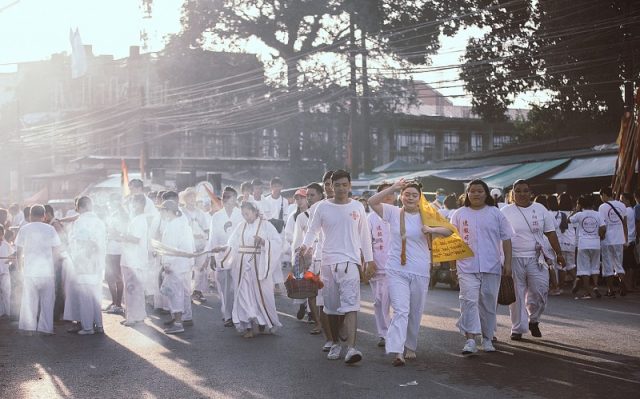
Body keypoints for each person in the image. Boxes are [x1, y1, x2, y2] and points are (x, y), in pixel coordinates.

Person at [368, 179, 452, 366]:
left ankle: (410, 346)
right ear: (401, 196)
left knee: (415, 310)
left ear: (420, 197)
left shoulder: (428, 214)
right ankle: (397, 351)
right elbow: (372, 202)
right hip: (396, 269)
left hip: (420, 269)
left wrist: (431, 229)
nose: (410, 198)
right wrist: (392, 188)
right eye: (407, 194)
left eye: (414, 195)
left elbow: (448, 231)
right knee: (400, 310)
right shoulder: (392, 212)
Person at [301, 170, 374, 365]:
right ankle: (334, 342)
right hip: (327, 263)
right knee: (331, 308)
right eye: (337, 185)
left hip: (350, 262)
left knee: (351, 305)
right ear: (330, 186)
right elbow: (312, 230)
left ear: (350, 186)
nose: (341, 188)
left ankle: (351, 348)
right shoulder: (322, 207)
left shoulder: (357, 206)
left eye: (344, 185)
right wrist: (305, 246)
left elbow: (365, 235)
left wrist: (369, 260)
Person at [450, 180, 513, 354]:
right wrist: (452, 267)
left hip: (491, 265)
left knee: (488, 303)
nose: (476, 194)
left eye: (480, 191)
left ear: (486, 194)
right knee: (468, 301)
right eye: (472, 191)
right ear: (467, 194)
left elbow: (506, 239)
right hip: (465, 265)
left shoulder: (496, 213)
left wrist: (508, 262)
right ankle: (470, 340)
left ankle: (487, 338)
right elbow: (452, 243)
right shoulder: (459, 214)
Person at [501, 180, 565, 340]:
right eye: (518, 191)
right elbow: (500, 237)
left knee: (540, 292)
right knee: (516, 294)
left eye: (525, 191)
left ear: (531, 193)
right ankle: (517, 328)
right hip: (514, 258)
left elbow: (550, 233)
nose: (521, 194)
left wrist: (559, 253)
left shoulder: (540, 209)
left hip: (537, 258)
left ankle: (533, 320)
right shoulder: (505, 211)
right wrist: (503, 261)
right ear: (512, 194)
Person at [213, 201, 282, 338]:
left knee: (262, 295)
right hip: (242, 266)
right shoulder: (241, 226)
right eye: (243, 214)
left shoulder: (266, 225)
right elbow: (232, 244)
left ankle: (262, 320)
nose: (246, 217)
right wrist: (222, 248)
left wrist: (263, 242)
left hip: (260, 265)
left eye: (248, 213)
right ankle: (248, 326)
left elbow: (277, 243)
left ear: (255, 212)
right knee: (244, 295)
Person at [15, 204, 61, 335]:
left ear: (30, 215)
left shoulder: (24, 229)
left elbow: (19, 251)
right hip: (47, 271)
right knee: (47, 301)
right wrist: (54, 265)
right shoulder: (50, 229)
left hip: (30, 270)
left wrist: (20, 268)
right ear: (44, 216)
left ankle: (28, 326)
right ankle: (46, 328)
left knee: (29, 301)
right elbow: (57, 249)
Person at [65, 197, 107, 335]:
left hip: (85, 262)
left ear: (80, 207)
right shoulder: (99, 222)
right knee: (95, 295)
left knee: (85, 296)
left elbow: (82, 243)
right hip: (98, 263)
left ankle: (88, 327)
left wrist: (78, 261)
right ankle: (99, 325)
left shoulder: (80, 222)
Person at [207, 187, 243, 327]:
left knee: (237, 287)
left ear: (235, 199)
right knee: (224, 287)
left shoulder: (241, 214)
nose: (226, 200)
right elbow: (212, 237)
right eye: (224, 197)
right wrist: (211, 256)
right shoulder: (217, 216)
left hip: (238, 255)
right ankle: (227, 315)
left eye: (229, 197)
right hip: (221, 255)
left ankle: (237, 314)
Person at [159, 200, 196, 334]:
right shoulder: (183, 222)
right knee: (185, 292)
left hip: (176, 264)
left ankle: (178, 323)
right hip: (186, 263)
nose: (161, 212)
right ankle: (186, 317)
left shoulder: (173, 225)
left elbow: (170, 247)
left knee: (176, 293)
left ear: (169, 211)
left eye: (162, 210)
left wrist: (167, 263)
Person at [367, 183, 393, 348]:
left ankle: (397, 332)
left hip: (399, 266)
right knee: (379, 301)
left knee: (400, 303)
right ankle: (384, 333)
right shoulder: (370, 217)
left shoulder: (401, 213)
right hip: (378, 265)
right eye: (384, 193)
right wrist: (368, 262)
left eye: (391, 193)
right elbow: (365, 242)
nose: (388, 196)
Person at [118, 194, 149, 326]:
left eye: (133, 203)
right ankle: (139, 315)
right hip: (135, 260)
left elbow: (135, 239)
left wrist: (120, 235)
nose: (131, 206)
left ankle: (131, 317)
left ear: (140, 204)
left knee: (130, 289)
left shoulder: (139, 220)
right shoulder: (138, 219)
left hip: (132, 261)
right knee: (136, 290)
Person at [570, 195, 606, 299]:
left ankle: (588, 291)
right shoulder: (598, 214)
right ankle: (595, 287)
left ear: (580, 205)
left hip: (583, 244)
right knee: (595, 266)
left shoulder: (580, 214)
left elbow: (568, 220)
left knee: (584, 268)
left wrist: (575, 210)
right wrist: (600, 235)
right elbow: (603, 227)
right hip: (595, 243)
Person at [180, 187, 210, 302]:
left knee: (200, 269)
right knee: (187, 269)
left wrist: (203, 237)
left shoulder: (200, 213)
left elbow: (206, 229)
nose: (192, 199)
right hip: (187, 245)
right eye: (189, 197)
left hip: (200, 244)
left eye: (193, 196)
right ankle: (186, 292)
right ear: (185, 199)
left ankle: (197, 291)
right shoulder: (181, 212)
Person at [598, 187, 628, 297]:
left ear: (605, 194)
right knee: (619, 264)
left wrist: (600, 236)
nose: (601, 198)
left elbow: (602, 226)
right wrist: (626, 240)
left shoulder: (602, 207)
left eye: (601, 196)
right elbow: (624, 224)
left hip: (607, 240)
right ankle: (622, 283)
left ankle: (610, 290)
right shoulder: (622, 205)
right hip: (619, 239)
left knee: (608, 265)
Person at [104, 195, 128, 315]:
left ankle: (118, 304)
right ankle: (114, 302)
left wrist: (114, 235)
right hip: (109, 250)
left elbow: (124, 235)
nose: (109, 206)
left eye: (111, 204)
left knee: (118, 277)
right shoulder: (112, 215)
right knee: (109, 277)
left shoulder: (123, 216)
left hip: (117, 251)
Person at [555, 193, 577, 292]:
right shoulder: (574, 213)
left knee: (561, 266)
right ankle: (577, 279)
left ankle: (560, 286)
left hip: (561, 241)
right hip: (572, 241)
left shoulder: (558, 214)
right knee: (571, 265)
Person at [0, 225, 13, 318]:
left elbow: (13, 256)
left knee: (6, 292)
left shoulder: (7, 245)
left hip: (5, 272)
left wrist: (9, 260)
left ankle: (7, 313)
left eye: (1, 233)